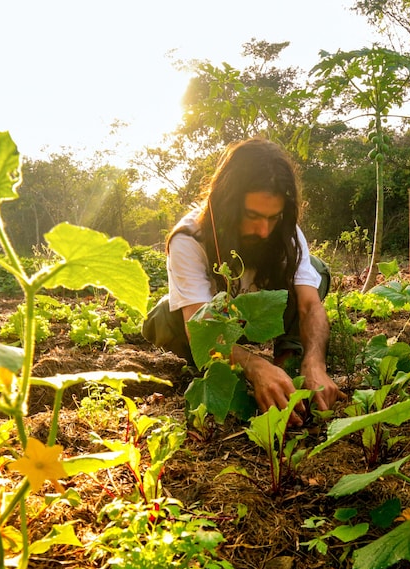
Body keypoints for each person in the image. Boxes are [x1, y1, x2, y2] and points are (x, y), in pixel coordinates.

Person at [143, 138, 343, 422]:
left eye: (273, 217)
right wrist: (255, 366)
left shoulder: (285, 232)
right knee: (165, 319)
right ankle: (257, 372)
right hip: (215, 321)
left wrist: (315, 363)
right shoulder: (190, 237)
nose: (264, 230)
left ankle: (288, 360)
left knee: (315, 271)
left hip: (261, 316)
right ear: (228, 204)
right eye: (252, 216)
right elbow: (200, 330)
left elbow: (310, 306)